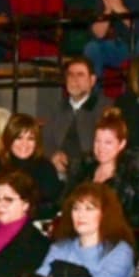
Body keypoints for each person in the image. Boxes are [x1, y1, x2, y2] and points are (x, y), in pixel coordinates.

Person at [37, 182, 138, 277]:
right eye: (76, 208)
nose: (80, 215)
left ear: (105, 214)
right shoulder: (60, 247)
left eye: (89, 209)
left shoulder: (120, 250)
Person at [74, 111, 139, 248]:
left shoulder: (134, 175)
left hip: (121, 240)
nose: (101, 148)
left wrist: (112, 224)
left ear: (121, 144)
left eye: (108, 142)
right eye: (97, 141)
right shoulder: (84, 171)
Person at [0, 113, 63, 220]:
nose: (24, 144)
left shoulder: (46, 167)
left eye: (30, 138)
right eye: (19, 138)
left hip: (36, 223)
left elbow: (53, 207)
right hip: (2, 222)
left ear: (37, 142)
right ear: (9, 139)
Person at [36, 55, 105, 183]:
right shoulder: (58, 107)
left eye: (80, 75)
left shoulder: (104, 108)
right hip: (57, 172)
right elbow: (45, 139)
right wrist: (53, 155)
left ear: (92, 80)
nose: (74, 80)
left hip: (89, 174)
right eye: (70, 75)